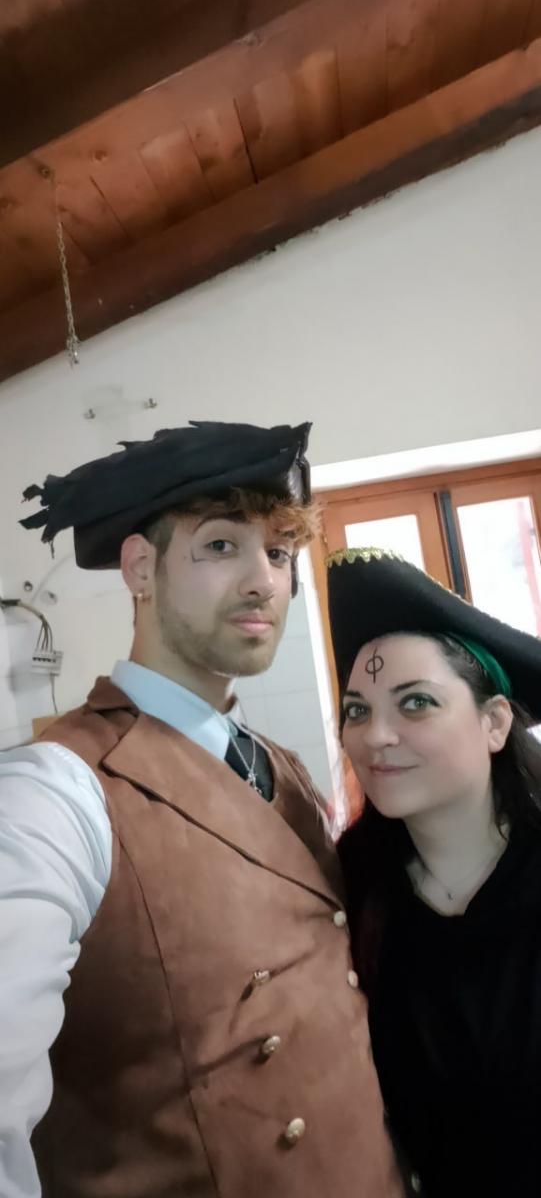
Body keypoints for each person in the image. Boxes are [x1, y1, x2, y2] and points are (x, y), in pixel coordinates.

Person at [0, 425, 403, 1198]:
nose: (263, 581)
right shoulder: (54, 793)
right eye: (221, 546)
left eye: (279, 553)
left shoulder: (283, 768)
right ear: (139, 568)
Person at [327, 545, 541, 1198]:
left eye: (415, 703)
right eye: (357, 710)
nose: (375, 736)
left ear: (494, 722)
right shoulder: (345, 893)